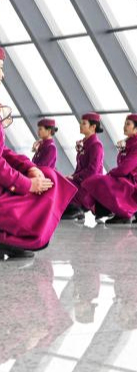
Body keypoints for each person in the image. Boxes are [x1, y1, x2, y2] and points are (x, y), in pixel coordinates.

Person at [0, 101, 77, 258]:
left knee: (49, 176)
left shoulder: (49, 146)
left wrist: (30, 168)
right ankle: (12, 238)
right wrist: (27, 184)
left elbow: (5, 152)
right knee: (49, 182)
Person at [80, 114, 137, 224]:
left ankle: (124, 213)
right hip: (123, 180)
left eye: (128, 124)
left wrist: (110, 174)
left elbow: (125, 169)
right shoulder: (128, 144)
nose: (124, 126)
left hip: (133, 183)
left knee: (99, 180)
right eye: (125, 124)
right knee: (96, 181)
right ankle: (113, 211)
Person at [62, 113, 105, 220]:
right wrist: (73, 176)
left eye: (84, 123)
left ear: (93, 127)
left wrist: (74, 177)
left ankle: (77, 209)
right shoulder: (85, 144)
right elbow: (80, 168)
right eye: (81, 123)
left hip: (88, 187)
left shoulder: (96, 145)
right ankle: (73, 208)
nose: (80, 126)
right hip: (80, 183)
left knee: (62, 185)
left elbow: (93, 171)